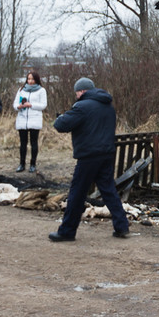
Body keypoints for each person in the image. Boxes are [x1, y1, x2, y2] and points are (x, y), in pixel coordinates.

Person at [48, 77, 130, 242]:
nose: (76, 95)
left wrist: (59, 118)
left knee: (77, 193)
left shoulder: (82, 106)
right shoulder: (108, 106)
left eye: (77, 92)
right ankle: (122, 226)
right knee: (108, 190)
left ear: (82, 91)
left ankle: (67, 231)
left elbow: (61, 125)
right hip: (106, 153)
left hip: (88, 156)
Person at [12, 70, 48, 173]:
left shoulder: (41, 90)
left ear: (36, 79)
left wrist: (31, 105)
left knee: (33, 143)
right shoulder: (21, 89)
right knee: (23, 143)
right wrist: (19, 106)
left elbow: (43, 105)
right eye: (28, 79)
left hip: (34, 119)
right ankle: (22, 164)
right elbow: (15, 104)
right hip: (22, 118)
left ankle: (33, 164)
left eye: (32, 79)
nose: (30, 81)